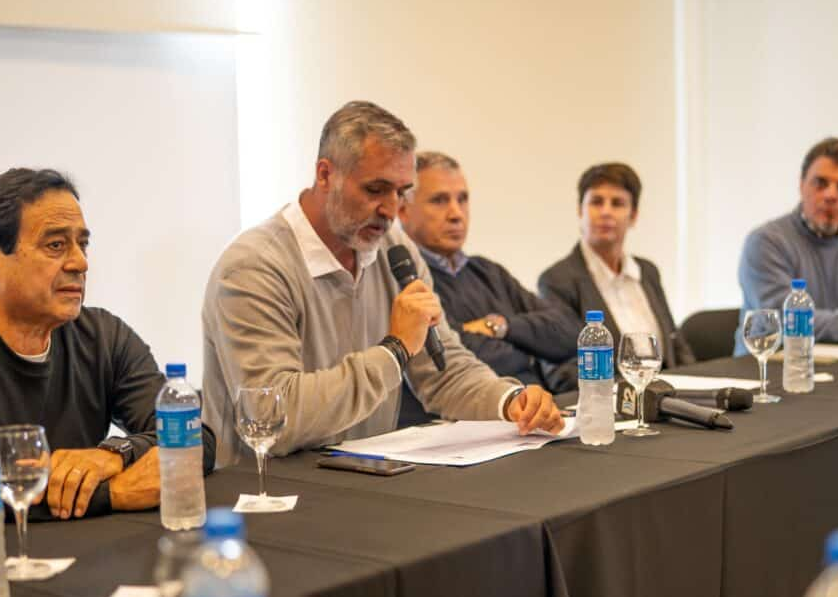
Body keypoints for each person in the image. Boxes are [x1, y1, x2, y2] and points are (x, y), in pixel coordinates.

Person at [202, 101, 563, 466]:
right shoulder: (254, 267)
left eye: (401, 192)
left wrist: (509, 402)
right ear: (325, 175)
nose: (391, 210)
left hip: (367, 479)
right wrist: (395, 349)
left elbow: (443, 370)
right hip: (267, 488)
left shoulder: (394, 248)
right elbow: (271, 419)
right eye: (375, 189)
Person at [0, 168, 216, 520]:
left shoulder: (104, 337)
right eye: (55, 245)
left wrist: (115, 454)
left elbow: (197, 439)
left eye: (83, 244)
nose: (81, 262)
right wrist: (112, 493)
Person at [397, 150, 580, 395]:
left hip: (539, 405)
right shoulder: (404, 279)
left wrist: (500, 326)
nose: (456, 214)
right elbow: (453, 360)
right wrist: (531, 349)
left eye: (462, 199)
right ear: (403, 210)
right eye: (439, 200)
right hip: (471, 412)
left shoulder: (487, 272)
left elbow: (570, 332)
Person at [735, 138, 838, 354]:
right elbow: (786, 319)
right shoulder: (765, 242)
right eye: (820, 183)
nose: (831, 195)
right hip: (772, 367)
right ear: (801, 184)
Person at [538, 162, 694, 387]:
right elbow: (562, 372)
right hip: (608, 402)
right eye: (596, 202)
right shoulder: (557, 280)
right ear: (580, 211)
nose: (606, 212)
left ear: (633, 216)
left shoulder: (647, 271)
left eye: (617, 203)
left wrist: (694, 387)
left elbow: (676, 345)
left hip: (666, 396)